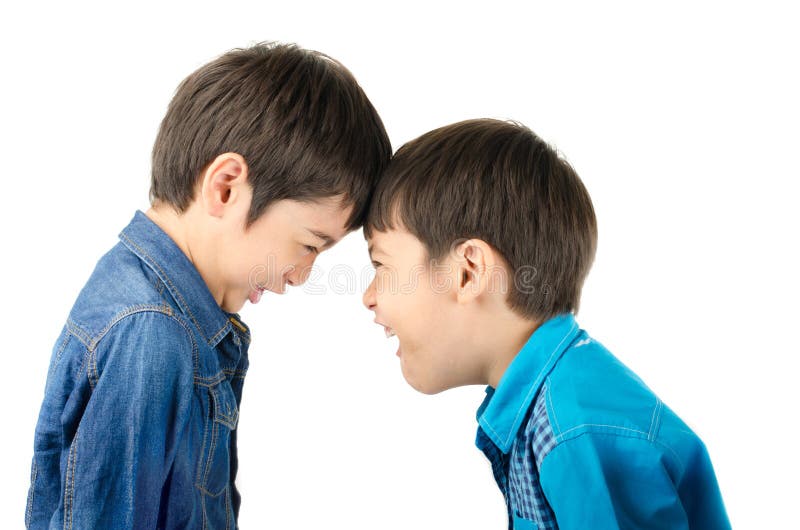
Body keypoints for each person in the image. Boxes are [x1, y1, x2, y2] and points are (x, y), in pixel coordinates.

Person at [26, 42, 390, 529]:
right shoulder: (149, 334)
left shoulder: (168, 316)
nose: (302, 276)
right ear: (226, 187)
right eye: (309, 245)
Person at [362, 118, 730, 529]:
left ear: (467, 272)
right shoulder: (549, 405)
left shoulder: (572, 431)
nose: (368, 296)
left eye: (381, 265)